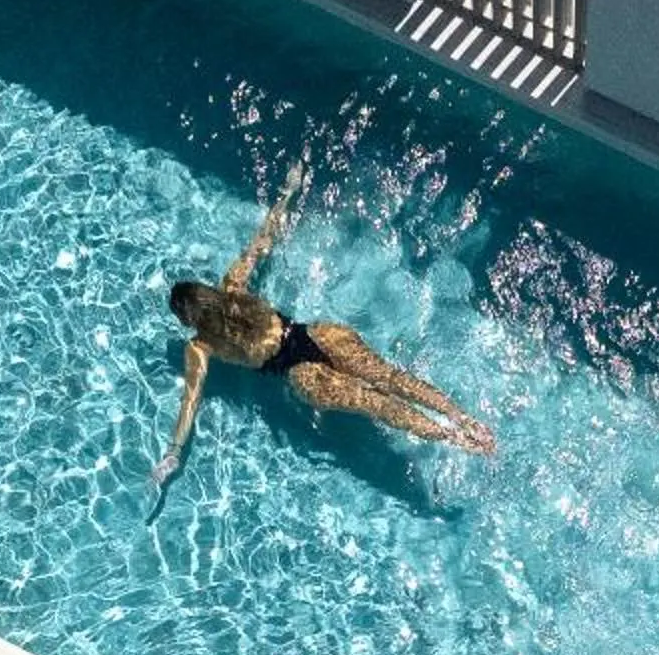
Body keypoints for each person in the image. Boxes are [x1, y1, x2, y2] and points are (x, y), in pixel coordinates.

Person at [152, 163, 494, 490]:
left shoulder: (199, 346)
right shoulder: (232, 286)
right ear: (206, 294)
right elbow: (264, 238)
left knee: (378, 404)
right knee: (391, 379)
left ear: (189, 319)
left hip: (301, 374)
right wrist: (289, 191)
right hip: (317, 334)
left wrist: (173, 453)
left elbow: (190, 400)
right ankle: (464, 419)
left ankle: (457, 439)